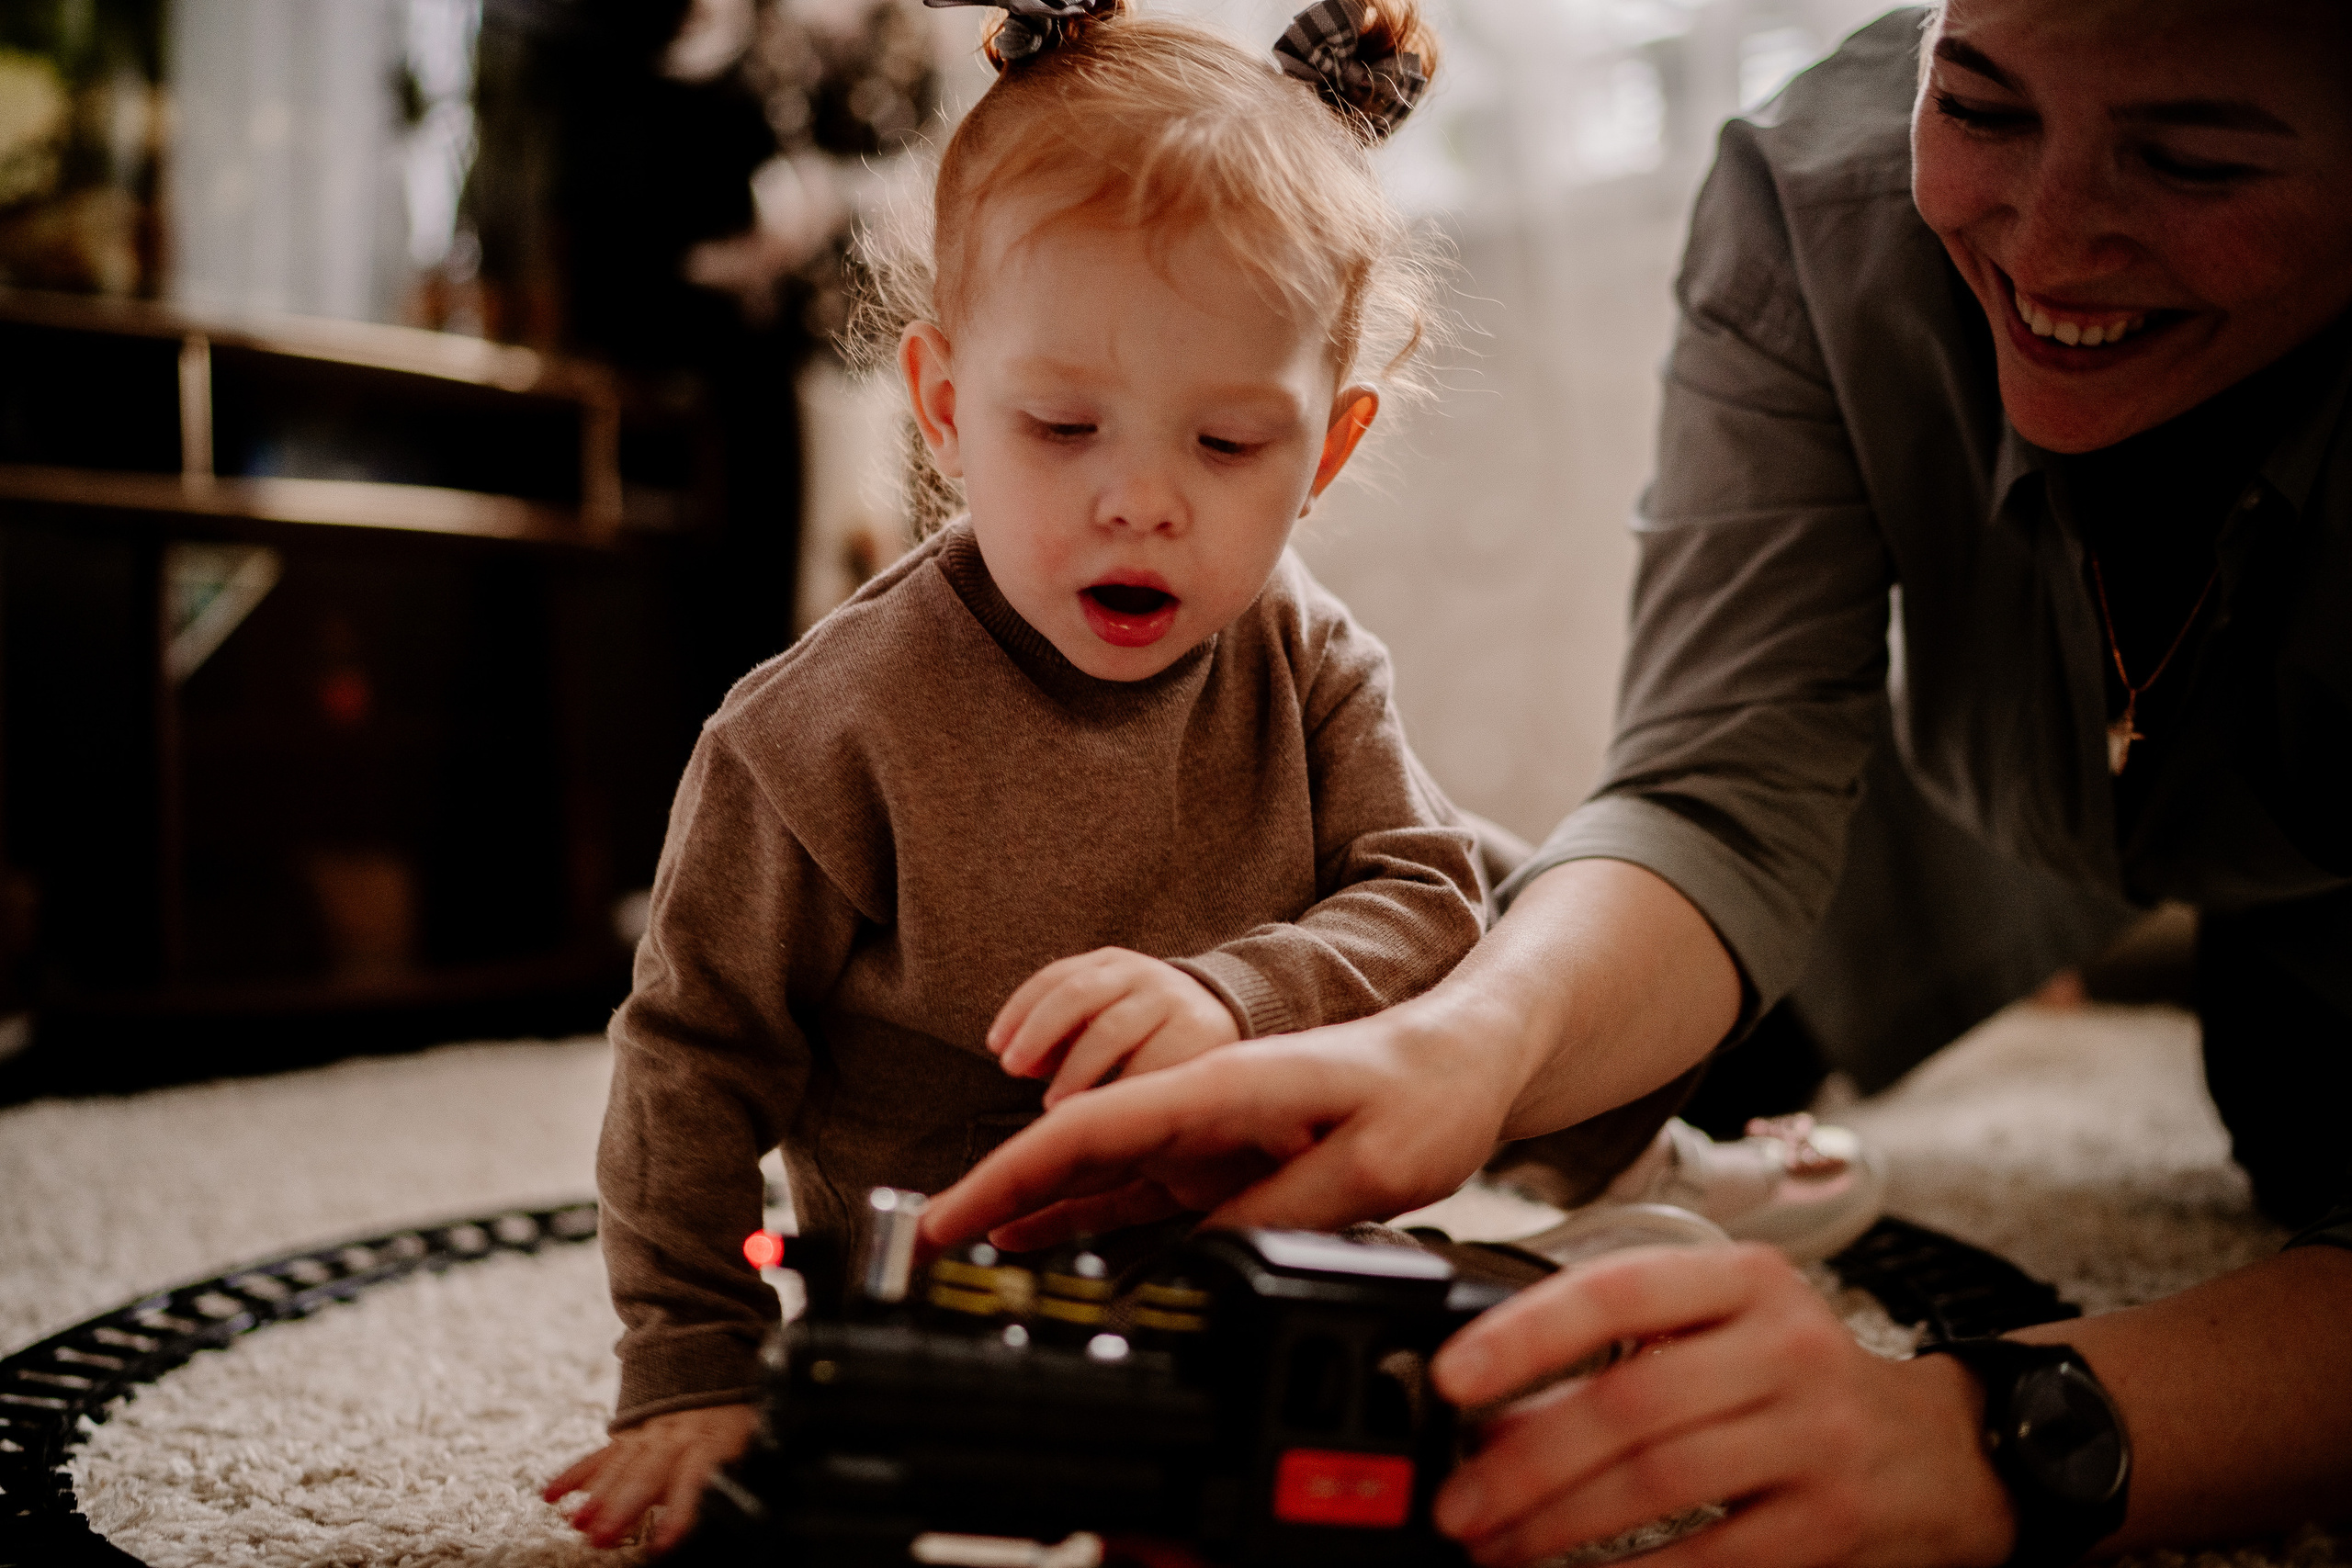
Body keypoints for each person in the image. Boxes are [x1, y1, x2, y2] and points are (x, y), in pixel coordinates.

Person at [922, 0, 2352, 1560]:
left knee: (2305, 1150)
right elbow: (1717, 783)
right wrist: (1466, 1044)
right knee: (1616, 1016)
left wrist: (2004, 1434)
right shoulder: (1817, 195)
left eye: (2194, 160)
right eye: (1984, 107)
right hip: (2002, 803)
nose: (2055, 237)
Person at [541, 0, 1486, 1551]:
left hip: (1262, 1281)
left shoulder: (1307, 662)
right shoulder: (813, 734)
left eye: (1231, 445)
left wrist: (1241, 998)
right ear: (943, 407)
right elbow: (693, 1065)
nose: (1141, 503)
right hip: (940, 1316)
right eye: (1061, 426)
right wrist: (695, 1367)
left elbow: (1435, 897)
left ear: (1330, 447)